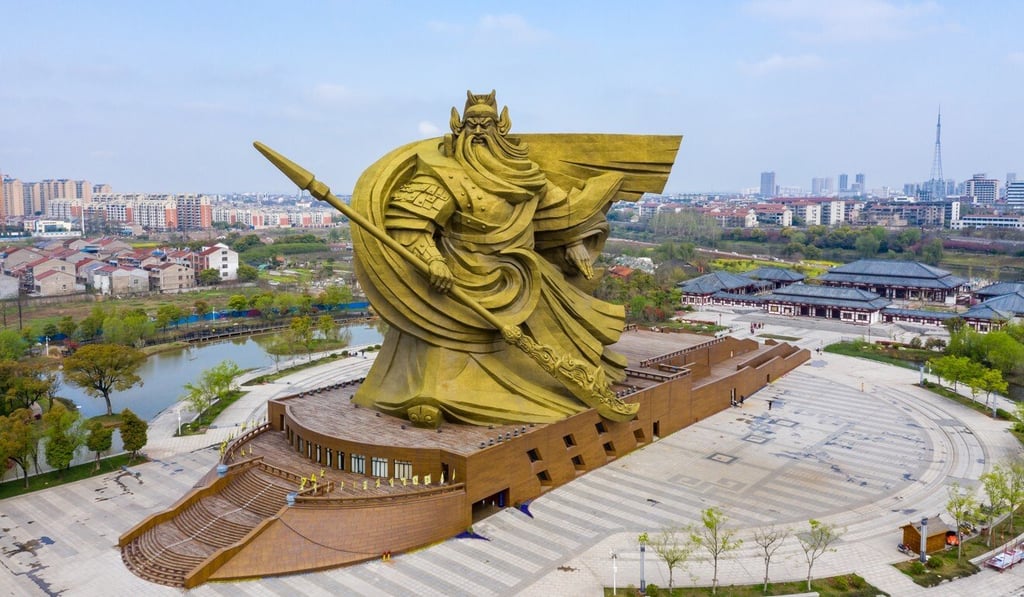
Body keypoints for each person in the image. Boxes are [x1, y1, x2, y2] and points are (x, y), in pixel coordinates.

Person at [350, 91, 666, 426]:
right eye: (471, 125)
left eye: (486, 125)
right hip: (460, 279)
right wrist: (433, 261)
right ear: (459, 129)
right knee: (443, 337)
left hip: (520, 276)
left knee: (560, 322)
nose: (479, 132)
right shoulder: (444, 175)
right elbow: (411, 226)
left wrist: (571, 240)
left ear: (501, 129)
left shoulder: (521, 173)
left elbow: (556, 211)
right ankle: (433, 393)